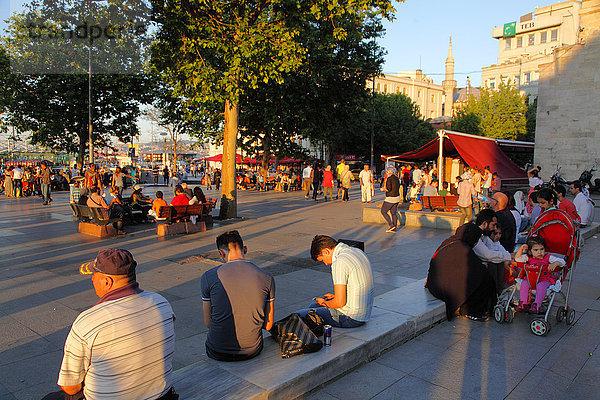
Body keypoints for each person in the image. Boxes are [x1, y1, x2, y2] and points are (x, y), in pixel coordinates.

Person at [42, 249, 177, 400]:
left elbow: (71, 387)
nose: (92, 279)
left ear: (107, 282)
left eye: (94, 275)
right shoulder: (161, 302)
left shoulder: (89, 321)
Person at [201, 230, 275, 361]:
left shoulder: (209, 277)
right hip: (252, 349)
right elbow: (268, 325)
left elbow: (208, 323)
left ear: (221, 253)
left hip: (218, 350)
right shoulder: (267, 277)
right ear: (245, 249)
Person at [296, 235, 374, 328]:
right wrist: (335, 297)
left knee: (300, 315)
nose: (326, 263)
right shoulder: (357, 251)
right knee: (314, 306)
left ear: (326, 251)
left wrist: (324, 303)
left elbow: (339, 303)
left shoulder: (340, 262)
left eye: (323, 259)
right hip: (364, 314)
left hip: (351, 318)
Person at [426, 223, 497, 322]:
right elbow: (478, 271)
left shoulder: (450, 241)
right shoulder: (463, 249)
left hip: (433, 284)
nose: (476, 243)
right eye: (476, 240)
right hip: (444, 290)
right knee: (484, 278)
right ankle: (471, 311)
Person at [515, 236, 565, 314]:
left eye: (542, 249)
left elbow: (562, 262)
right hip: (531, 279)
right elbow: (517, 259)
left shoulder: (548, 258)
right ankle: (523, 303)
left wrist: (556, 263)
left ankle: (537, 305)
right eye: (536, 250)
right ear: (530, 251)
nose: (539, 252)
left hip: (544, 279)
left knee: (540, 286)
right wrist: (521, 249)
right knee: (524, 283)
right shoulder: (528, 258)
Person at [380, 166, 402, 233]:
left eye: (387, 171)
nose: (386, 173)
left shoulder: (389, 179)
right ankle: (394, 227)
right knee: (393, 213)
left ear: (390, 171)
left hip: (390, 198)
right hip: (397, 197)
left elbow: (389, 189)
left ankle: (391, 225)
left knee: (383, 211)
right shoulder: (397, 178)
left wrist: (383, 189)